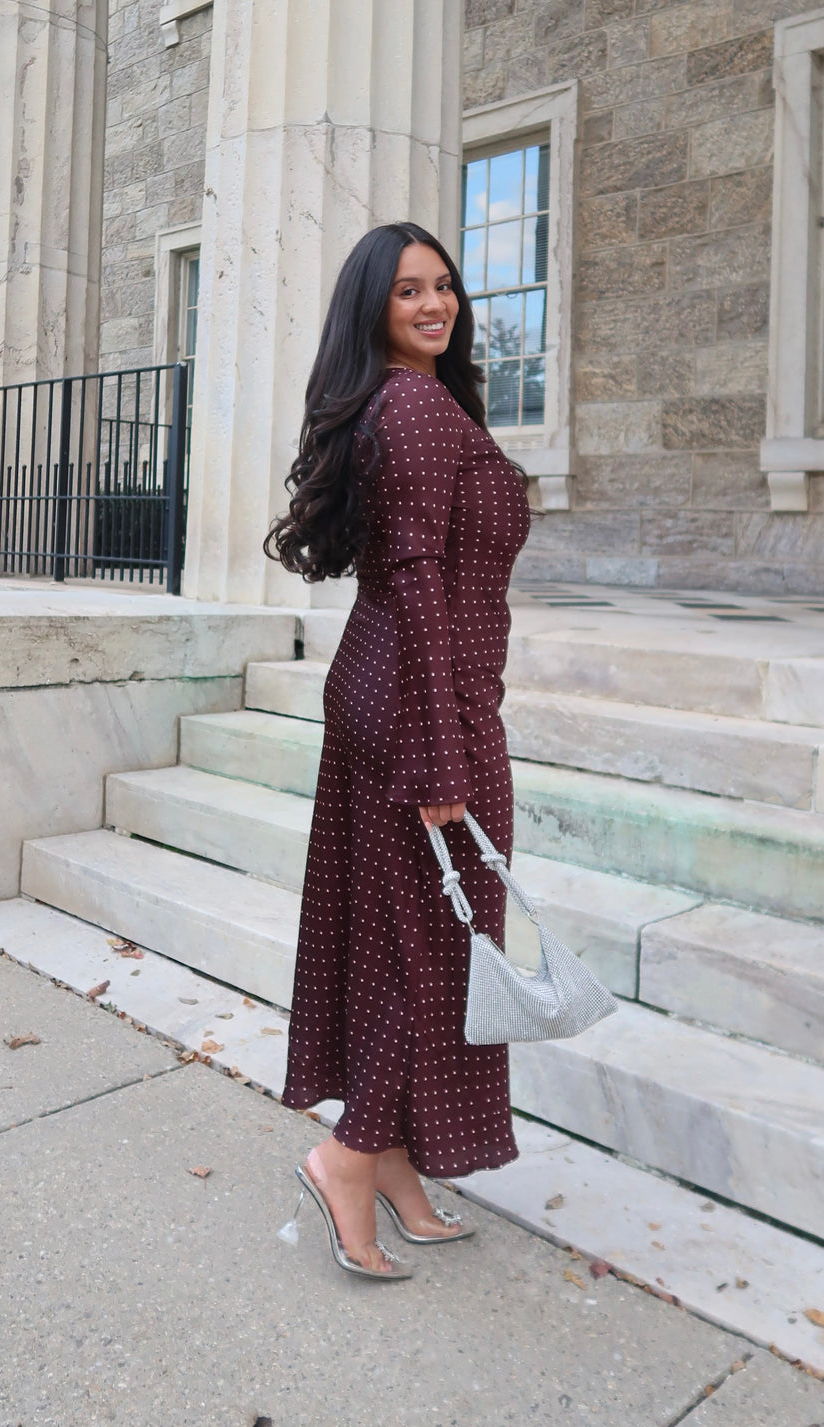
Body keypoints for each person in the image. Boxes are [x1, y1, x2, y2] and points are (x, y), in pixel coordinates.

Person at [264, 221, 531, 1280]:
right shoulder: (415, 406)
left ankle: (395, 1166)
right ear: (373, 307)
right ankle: (348, 1155)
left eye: (446, 287)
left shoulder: (404, 401)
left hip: (400, 695)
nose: (435, 305)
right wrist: (441, 753)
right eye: (408, 291)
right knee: (439, 954)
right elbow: (418, 582)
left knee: (405, 946)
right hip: (424, 710)